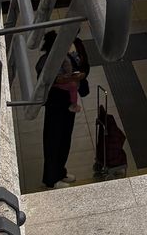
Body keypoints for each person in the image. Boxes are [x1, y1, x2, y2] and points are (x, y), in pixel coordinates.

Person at [37, 31, 89, 190]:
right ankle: (51, 179)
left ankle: (60, 172)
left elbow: (83, 65)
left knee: (65, 138)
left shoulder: (70, 53)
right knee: (53, 141)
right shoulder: (47, 61)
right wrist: (68, 79)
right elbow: (46, 79)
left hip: (67, 102)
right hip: (55, 104)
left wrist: (79, 76)